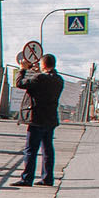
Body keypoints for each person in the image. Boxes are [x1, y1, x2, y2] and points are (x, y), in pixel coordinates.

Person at [20, 54, 65, 187]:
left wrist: (22, 70)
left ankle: (27, 178)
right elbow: (44, 82)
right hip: (50, 118)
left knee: (30, 150)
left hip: (37, 118)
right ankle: (47, 178)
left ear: (43, 65)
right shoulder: (59, 79)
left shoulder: (39, 78)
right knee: (47, 150)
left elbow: (20, 83)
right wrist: (37, 73)